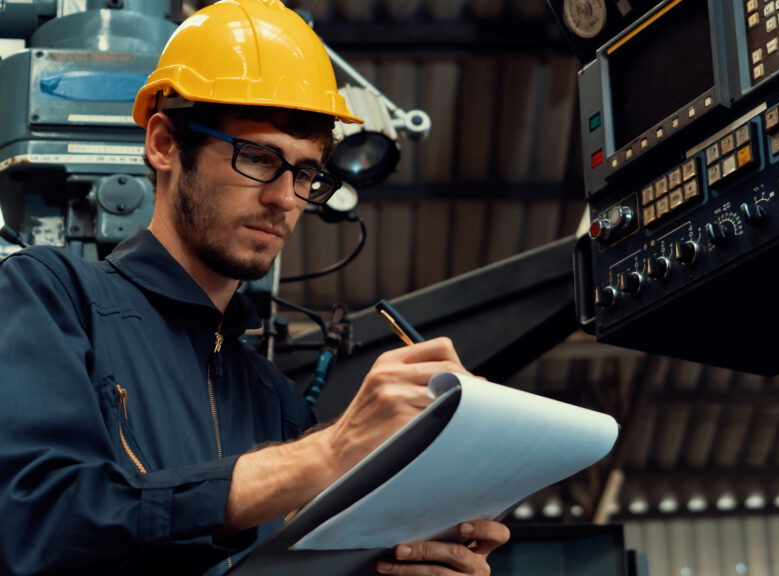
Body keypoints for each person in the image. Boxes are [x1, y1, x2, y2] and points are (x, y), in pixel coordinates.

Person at [0, 1, 509, 574]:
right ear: (164, 144)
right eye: (260, 158)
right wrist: (327, 453)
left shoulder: (277, 404)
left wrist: (397, 561)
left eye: (307, 173)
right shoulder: (51, 296)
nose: (287, 199)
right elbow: (32, 524)